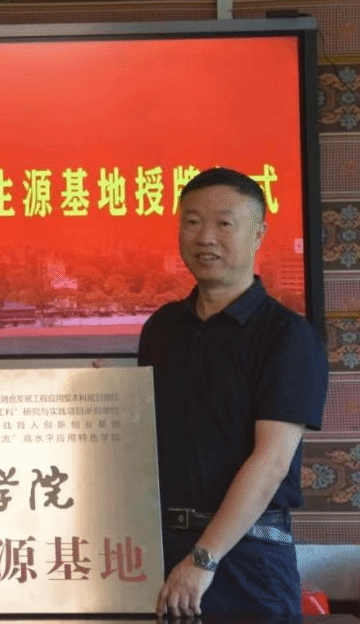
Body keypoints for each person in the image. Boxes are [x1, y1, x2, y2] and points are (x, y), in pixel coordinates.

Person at [138, 167, 328, 620]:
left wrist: (203, 560)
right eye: (192, 222)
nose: (205, 237)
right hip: (162, 548)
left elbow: (271, 462)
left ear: (259, 234)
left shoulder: (287, 337)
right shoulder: (162, 329)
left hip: (247, 556)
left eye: (224, 223)